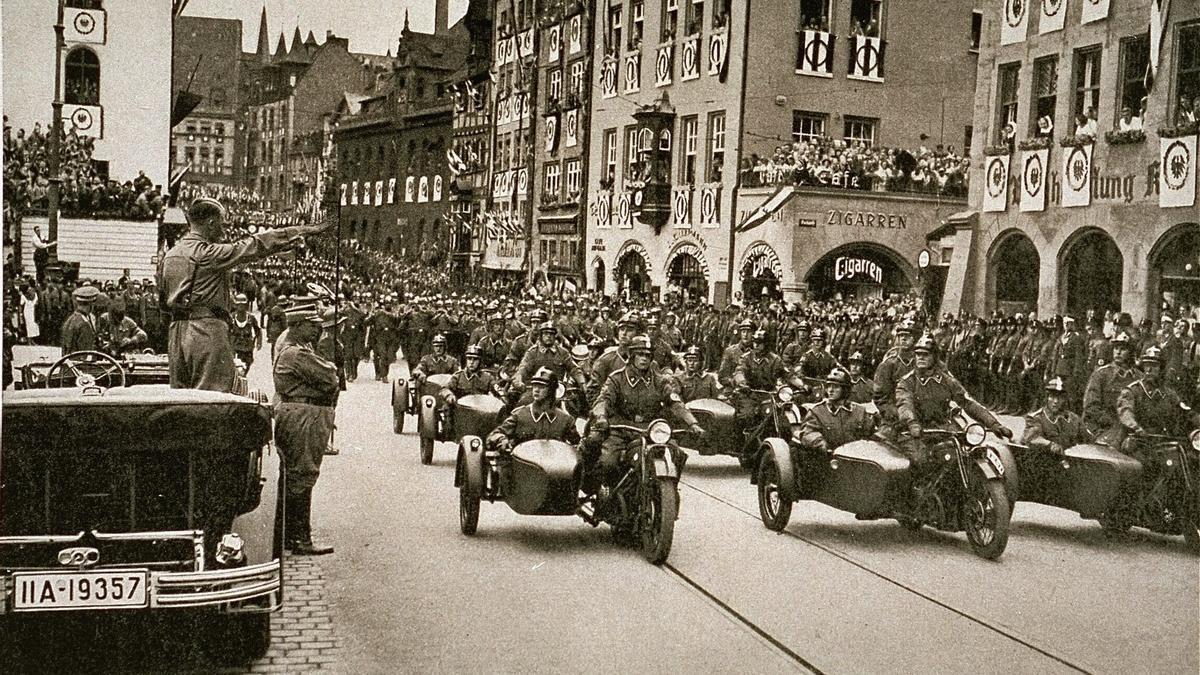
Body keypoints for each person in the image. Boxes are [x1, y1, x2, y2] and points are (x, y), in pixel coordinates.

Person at [159, 197, 330, 391]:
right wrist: (297, 231)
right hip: (206, 331)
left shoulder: (170, 255)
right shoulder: (208, 253)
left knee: (180, 400)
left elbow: (163, 305)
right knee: (213, 397)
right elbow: (255, 245)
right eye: (222, 225)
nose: (223, 231)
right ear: (211, 223)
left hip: (176, 334)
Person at [589, 336, 704, 496]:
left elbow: (675, 402)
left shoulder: (659, 380)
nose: (644, 359)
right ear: (632, 355)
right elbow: (603, 400)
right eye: (640, 354)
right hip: (621, 431)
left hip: (650, 432)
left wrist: (692, 423)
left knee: (677, 454)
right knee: (608, 462)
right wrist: (601, 417)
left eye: (648, 355)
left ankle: (669, 493)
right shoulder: (617, 378)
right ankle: (607, 493)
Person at [272, 301, 339, 555]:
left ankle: (291, 536)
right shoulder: (296, 353)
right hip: (303, 417)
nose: (317, 331)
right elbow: (330, 378)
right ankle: (300, 539)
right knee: (302, 476)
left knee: (296, 476)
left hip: (301, 414)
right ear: (298, 326)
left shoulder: (296, 348)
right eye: (312, 326)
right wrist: (329, 371)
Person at [895, 335, 1013, 465]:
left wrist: (993, 424)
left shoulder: (947, 380)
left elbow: (968, 403)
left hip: (942, 430)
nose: (921, 357)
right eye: (918, 354)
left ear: (934, 357)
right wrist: (912, 423)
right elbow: (904, 404)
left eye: (926, 354)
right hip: (914, 433)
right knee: (921, 461)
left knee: (963, 455)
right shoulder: (907, 382)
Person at [1117, 347, 1200, 457]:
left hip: (1164, 443)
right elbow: (1125, 412)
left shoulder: (1169, 393)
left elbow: (1187, 412)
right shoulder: (1133, 391)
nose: (1149, 370)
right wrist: (1136, 428)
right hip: (1139, 443)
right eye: (1146, 365)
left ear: (1161, 369)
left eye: (1154, 366)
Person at [486, 367, 581, 452]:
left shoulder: (565, 420)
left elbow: (576, 446)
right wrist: (502, 439)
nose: (536, 390)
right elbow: (494, 435)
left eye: (542, 387)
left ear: (551, 390)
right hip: (524, 468)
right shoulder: (520, 415)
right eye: (535, 385)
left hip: (553, 469)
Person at [798, 368, 877, 454]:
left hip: (857, 458)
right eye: (828, 386)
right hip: (830, 459)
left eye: (835, 387)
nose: (830, 390)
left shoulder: (859, 411)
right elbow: (808, 433)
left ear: (845, 389)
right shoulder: (817, 412)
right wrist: (821, 444)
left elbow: (871, 434)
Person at [1082, 332, 1141, 447]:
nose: (1118, 352)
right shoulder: (1101, 374)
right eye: (1116, 348)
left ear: (1131, 353)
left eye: (1123, 349)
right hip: (1102, 429)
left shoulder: (1139, 377)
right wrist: (1114, 424)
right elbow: (1091, 406)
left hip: (1131, 431)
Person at [60, 285, 104, 353]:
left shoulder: (70, 320)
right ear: (90, 304)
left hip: (68, 361)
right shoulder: (84, 324)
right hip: (80, 362)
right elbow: (86, 352)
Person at [229, 293, 262, 371]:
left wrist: (259, 342)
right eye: (239, 305)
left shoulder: (251, 318)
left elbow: (258, 330)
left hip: (247, 349)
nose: (241, 307)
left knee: (246, 368)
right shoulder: (231, 318)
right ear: (235, 305)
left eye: (243, 305)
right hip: (235, 348)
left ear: (246, 305)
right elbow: (226, 331)